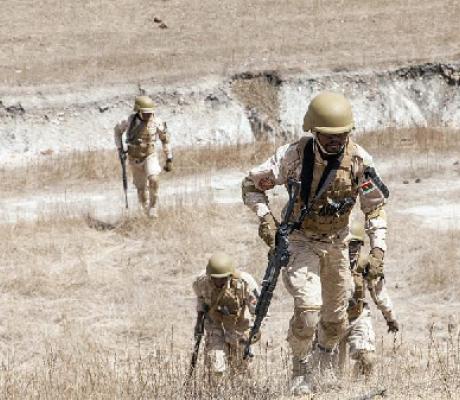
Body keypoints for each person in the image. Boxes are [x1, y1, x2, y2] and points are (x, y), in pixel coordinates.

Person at [241, 91, 389, 395]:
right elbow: (250, 185)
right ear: (314, 131)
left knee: (337, 321)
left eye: (341, 135)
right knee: (309, 309)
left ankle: (322, 370)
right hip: (300, 240)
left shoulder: (360, 161)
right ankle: (300, 369)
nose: (335, 141)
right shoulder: (292, 157)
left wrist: (377, 250)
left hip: (338, 243)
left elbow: (374, 207)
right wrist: (266, 219)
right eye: (328, 135)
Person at [192, 253, 259, 380]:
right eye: (215, 278)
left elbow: (260, 310)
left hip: (239, 325)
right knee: (216, 366)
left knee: (241, 370)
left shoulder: (245, 283)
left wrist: (255, 330)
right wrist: (199, 323)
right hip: (215, 324)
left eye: (222, 278)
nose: (218, 281)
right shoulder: (200, 282)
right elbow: (201, 300)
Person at [345, 220, 399, 378]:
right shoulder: (328, 263)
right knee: (328, 370)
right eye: (349, 244)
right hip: (331, 319)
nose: (352, 249)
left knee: (367, 359)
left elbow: (378, 292)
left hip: (357, 315)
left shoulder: (365, 264)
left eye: (356, 244)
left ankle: (360, 388)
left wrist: (390, 317)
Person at [114, 95, 173, 218]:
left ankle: (153, 207)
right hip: (134, 158)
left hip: (149, 155)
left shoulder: (156, 122)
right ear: (138, 110)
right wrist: (120, 148)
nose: (148, 115)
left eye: (150, 112)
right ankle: (146, 211)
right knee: (141, 190)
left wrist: (169, 158)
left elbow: (165, 139)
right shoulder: (129, 121)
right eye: (145, 113)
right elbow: (117, 131)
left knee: (154, 179)